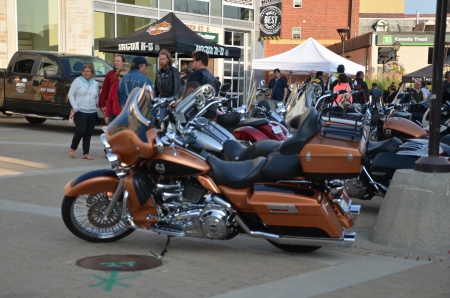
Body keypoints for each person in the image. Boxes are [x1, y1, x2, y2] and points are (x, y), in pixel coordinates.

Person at [68, 64, 99, 160]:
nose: (86, 73)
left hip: (92, 111)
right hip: (80, 110)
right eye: (84, 71)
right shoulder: (77, 81)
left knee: (88, 133)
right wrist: (75, 106)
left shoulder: (95, 83)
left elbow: (97, 96)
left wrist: (98, 105)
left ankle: (86, 153)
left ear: (92, 73)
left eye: (88, 71)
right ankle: (73, 148)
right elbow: (70, 94)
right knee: (81, 131)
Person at [153, 49, 181, 126]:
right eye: (160, 59)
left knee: (171, 124)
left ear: (168, 60)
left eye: (163, 59)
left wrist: (175, 101)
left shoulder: (173, 71)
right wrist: (154, 99)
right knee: (162, 122)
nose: (161, 61)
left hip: (171, 102)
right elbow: (156, 88)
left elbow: (177, 87)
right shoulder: (159, 72)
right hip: (162, 102)